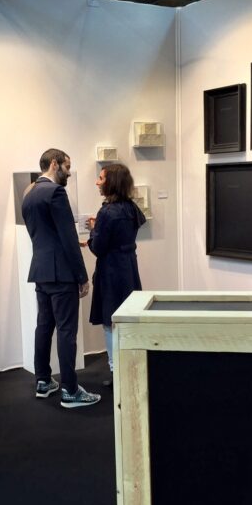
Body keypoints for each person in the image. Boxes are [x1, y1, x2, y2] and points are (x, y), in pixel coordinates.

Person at [22, 148, 101, 408]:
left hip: (41, 271)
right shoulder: (55, 192)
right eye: (67, 166)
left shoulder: (29, 194)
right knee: (67, 330)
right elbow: (67, 237)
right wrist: (82, 276)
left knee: (44, 327)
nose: (68, 172)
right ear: (54, 164)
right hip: (62, 273)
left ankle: (43, 381)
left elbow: (40, 235)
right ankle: (70, 390)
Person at [86, 163, 146, 385]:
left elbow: (98, 247)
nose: (97, 182)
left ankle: (116, 371)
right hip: (129, 268)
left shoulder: (107, 212)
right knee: (127, 319)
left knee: (110, 321)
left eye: (101, 178)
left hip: (111, 271)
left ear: (111, 182)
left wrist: (94, 230)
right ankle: (130, 368)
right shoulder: (131, 208)